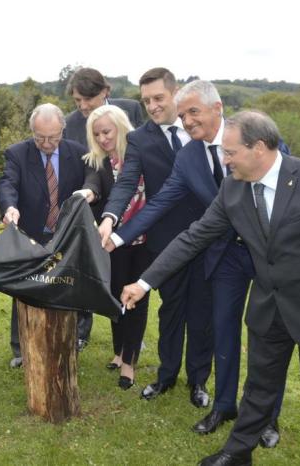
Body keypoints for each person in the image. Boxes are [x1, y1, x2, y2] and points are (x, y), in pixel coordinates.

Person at [122, 110, 300, 466]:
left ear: (258, 148)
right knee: (258, 388)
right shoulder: (233, 189)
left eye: (230, 152)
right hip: (268, 307)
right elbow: (193, 238)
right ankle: (238, 453)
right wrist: (145, 282)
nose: (224, 160)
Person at [106, 77, 284, 444]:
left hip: (269, 253)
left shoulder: (254, 136)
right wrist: (118, 236)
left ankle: (267, 416)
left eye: (192, 113)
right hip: (223, 254)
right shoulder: (188, 156)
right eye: (183, 115)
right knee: (223, 330)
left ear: (217, 108)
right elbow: (160, 201)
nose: (186, 122)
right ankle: (223, 406)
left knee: (268, 336)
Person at [97, 69, 211, 409]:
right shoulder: (140, 139)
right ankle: (166, 375)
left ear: (174, 93)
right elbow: (126, 183)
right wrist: (110, 218)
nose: (153, 106)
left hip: (209, 238)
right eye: (146, 101)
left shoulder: (199, 130)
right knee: (171, 312)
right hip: (164, 242)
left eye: (159, 98)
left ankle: (199, 380)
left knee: (202, 314)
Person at [0, 103, 88, 368]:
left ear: (63, 130)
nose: (47, 143)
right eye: (40, 138)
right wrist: (9, 207)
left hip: (65, 236)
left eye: (53, 137)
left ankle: (67, 343)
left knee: (65, 290)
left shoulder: (78, 154)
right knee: (25, 290)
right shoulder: (17, 154)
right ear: (32, 132)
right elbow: (7, 184)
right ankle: (21, 349)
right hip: (31, 233)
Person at [64, 67, 144, 350]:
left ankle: (130, 339)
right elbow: (91, 167)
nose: (83, 106)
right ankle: (83, 331)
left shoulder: (132, 110)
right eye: (77, 100)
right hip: (97, 213)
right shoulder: (70, 123)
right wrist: (89, 192)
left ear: (105, 92)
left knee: (130, 280)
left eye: (88, 99)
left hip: (138, 216)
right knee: (95, 276)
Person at [81, 104, 149, 389]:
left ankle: (130, 363)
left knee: (136, 300)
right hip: (112, 243)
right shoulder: (98, 161)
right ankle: (119, 350)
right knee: (115, 296)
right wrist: (87, 192)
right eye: (96, 135)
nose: (102, 139)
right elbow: (93, 183)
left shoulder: (142, 154)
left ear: (121, 127)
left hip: (145, 242)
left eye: (106, 132)